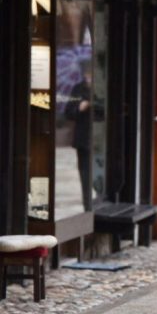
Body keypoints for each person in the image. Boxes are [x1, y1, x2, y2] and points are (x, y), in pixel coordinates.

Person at [65, 65, 93, 210]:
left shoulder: (103, 87)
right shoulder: (78, 88)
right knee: (85, 174)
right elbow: (68, 112)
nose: (89, 77)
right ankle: (87, 205)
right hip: (84, 138)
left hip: (100, 138)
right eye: (87, 74)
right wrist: (79, 108)